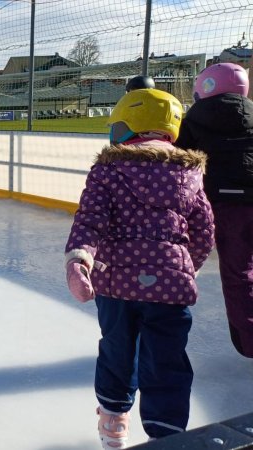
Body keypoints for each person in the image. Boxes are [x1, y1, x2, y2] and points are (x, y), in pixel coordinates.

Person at [64, 88, 214, 448]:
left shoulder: (109, 168)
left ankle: (114, 422)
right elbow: (205, 229)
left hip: (116, 285)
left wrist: (79, 258)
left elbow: (90, 219)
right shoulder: (188, 172)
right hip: (170, 287)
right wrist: (184, 268)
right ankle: (167, 431)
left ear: (126, 127)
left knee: (117, 348)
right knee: (167, 357)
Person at [175, 62, 253, 358]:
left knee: (238, 274)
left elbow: (180, 162)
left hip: (219, 205)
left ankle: (249, 341)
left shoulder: (194, 118)